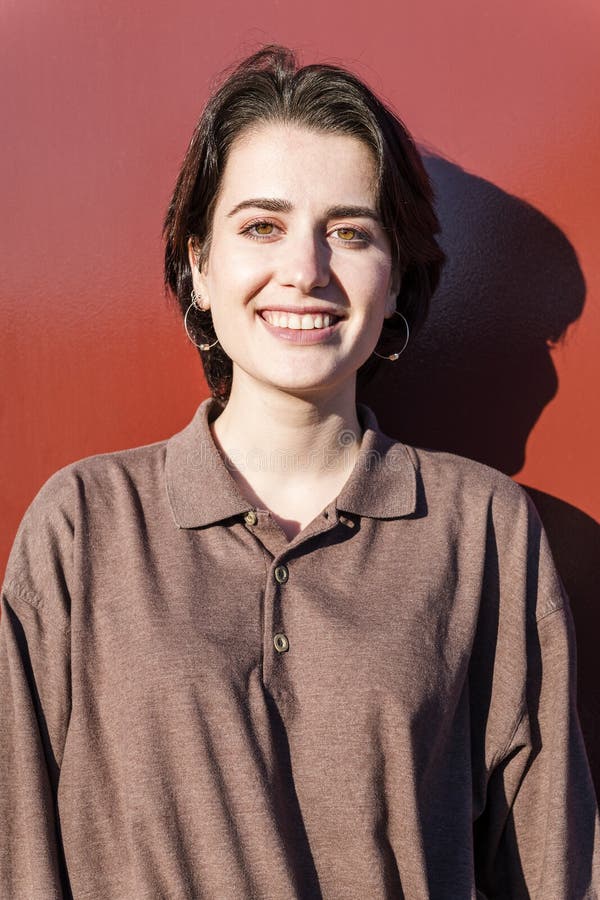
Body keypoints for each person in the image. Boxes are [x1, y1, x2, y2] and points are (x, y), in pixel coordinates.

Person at [1, 44, 598, 900]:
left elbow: (555, 865)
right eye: (261, 226)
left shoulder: (484, 531)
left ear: (395, 281)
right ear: (199, 265)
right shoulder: (82, 526)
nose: (307, 270)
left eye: (349, 232)